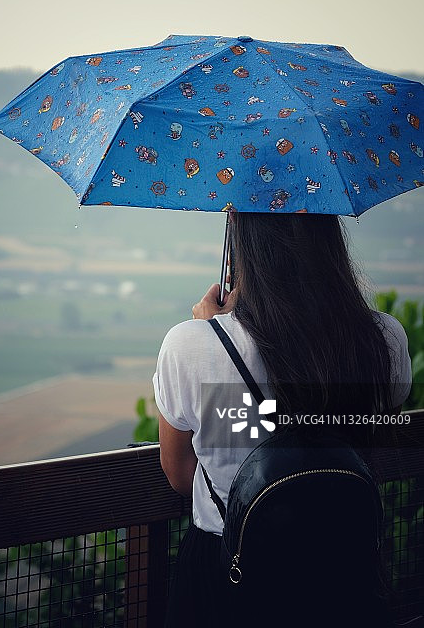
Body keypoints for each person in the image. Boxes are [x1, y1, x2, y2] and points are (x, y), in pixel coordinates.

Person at [152, 212, 412, 627]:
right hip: (343, 567)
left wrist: (210, 336)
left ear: (246, 245)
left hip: (229, 566)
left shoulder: (189, 345)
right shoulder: (385, 337)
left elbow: (181, 475)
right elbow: (364, 439)